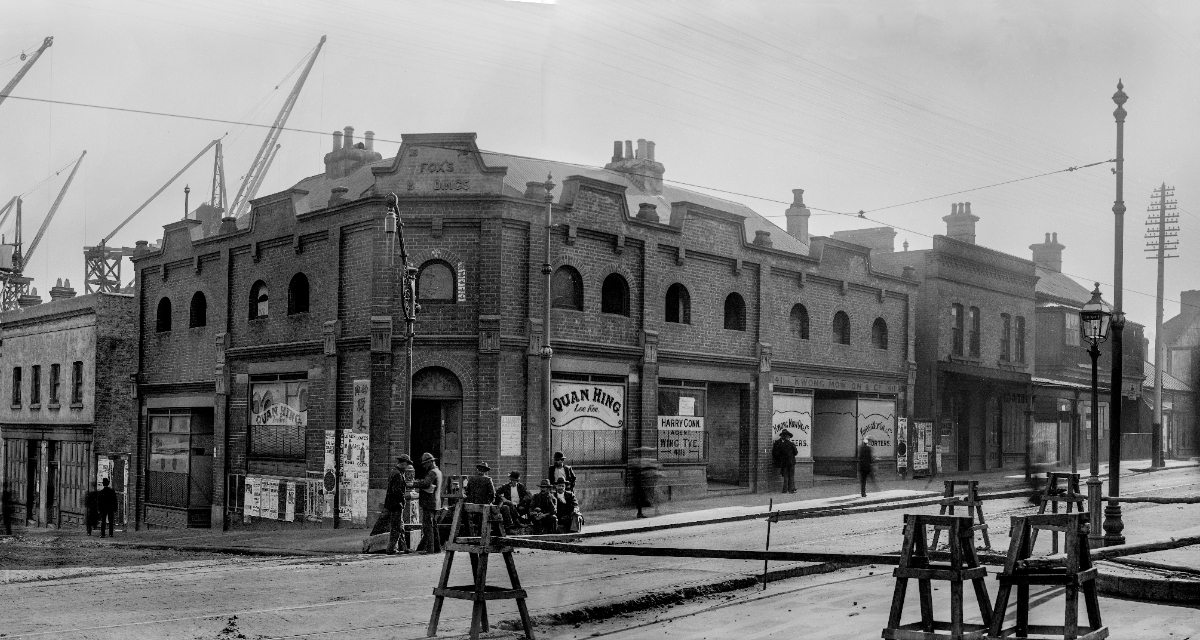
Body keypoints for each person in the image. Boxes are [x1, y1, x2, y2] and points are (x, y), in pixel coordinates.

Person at [413, 452, 444, 553]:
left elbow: (426, 484)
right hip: (435, 502)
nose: (424, 466)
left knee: (428, 526)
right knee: (433, 526)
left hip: (429, 502)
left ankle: (429, 549)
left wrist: (413, 483)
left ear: (430, 462)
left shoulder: (432, 472)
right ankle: (437, 548)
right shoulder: (438, 471)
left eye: (425, 464)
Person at [384, 455, 413, 554]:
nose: (407, 467)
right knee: (396, 527)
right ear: (403, 463)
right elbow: (396, 491)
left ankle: (404, 547)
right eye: (407, 464)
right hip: (396, 504)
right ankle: (391, 548)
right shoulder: (397, 474)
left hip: (393, 503)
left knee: (400, 526)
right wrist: (403, 497)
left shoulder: (395, 471)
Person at [464, 462, 497, 536]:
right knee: (484, 519)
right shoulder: (488, 479)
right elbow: (492, 494)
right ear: (485, 471)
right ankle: (481, 534)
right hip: (484, 505)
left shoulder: (471, 479)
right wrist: (489, 502)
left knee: (473, 519)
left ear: (478, 470)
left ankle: (472, 535)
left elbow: (467, 492)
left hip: (472, 505)